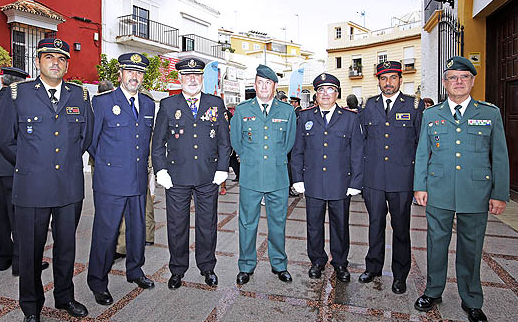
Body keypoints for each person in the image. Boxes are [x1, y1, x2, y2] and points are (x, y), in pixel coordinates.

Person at [0, 38, 94, 322]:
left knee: (66, 248)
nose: (56, 62)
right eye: (49, 56)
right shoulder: (17, 94)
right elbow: (5, 141)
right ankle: (30, 308)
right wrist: (32, 165)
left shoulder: (80, 95)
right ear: (37, 62)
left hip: (68, 186)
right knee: (30, 251)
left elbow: (86, 138)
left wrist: (62, 163)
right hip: (31, 187)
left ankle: (64, 297)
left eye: (61, 58)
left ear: (67, 64)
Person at [413, 56, 509, 322]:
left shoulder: (490, 113)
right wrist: (420, 186)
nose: (458, 82)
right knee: (436, 244)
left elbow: (499, 156)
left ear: (472, 81)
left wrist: (499, 193)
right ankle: (433, 291)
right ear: (445, 83)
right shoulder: (431, 115)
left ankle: (472, 301)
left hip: (475, 191)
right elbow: (423, 153)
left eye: (463, 77)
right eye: (453, 77)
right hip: (439, 189)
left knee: (471, 248)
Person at [152, 58, 230, 289]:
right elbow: (157, 144)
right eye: (187, 76)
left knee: (207, 224)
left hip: (208, 176)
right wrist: (161, 170)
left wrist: (222, 169)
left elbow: (225, 142)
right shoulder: (168, 105)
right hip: (177, 177)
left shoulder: (216, 103)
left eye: (196, 75)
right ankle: (177, 269)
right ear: (180, 79)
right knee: (177, 226)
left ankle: (207, 267)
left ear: (202, 78)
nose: (192, 80)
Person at [87, 53, 156, 306]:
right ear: (120, 74)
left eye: (139, 72)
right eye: (129, 71)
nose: (134, 76)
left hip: (137, 179)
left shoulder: (149, 104)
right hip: (111, 182)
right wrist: (110, 167)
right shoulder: (103, 102)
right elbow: (91, 143)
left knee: (137, 231)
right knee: (106, 234)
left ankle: (135, 271)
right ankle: (98, 282)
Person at [358, 60, 425, 294]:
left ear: (400, 79)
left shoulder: (415, 106)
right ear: (378, 80)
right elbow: (362, 142)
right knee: (375, 225)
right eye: (384, 78)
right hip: (374, 178)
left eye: (393, 78)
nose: (388, 83)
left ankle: (400, 275)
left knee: (401, 228)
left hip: (401, 179)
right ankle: (373, 267)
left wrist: (419, 181)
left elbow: (420, 144)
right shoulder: (367, 106)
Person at [0, 66, 50, 277]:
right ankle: (21, 263)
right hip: (14, 165)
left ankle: (2, 259)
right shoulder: (21, 102)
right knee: (19, 216)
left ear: (2, 81)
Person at [291, 73, 363, 282]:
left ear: (337, 94)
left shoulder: (350, 117)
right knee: (313, 225)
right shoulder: (305, 117)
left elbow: (357, 151)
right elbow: (298, 151)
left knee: (340, 226)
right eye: (320, 90)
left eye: (330, 89)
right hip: (313, 182)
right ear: (316, 94)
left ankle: (340, 263)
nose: (325, 94)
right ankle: (317, 261)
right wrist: (298, 179)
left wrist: (355, 182)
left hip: (341, 183)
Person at [230, 64, 296, 285]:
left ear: (274, 86)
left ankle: (279, 264)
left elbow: (288, 144)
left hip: (277, 177)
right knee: (247, 223)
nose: (264, 86)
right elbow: (236, 142)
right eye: (260, 82)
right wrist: (249, 159)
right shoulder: (242, 110)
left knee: (278, 223)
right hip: (251, 175)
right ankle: (246, 265)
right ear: (255, 85)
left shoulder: (287, 111)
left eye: (268, 83)